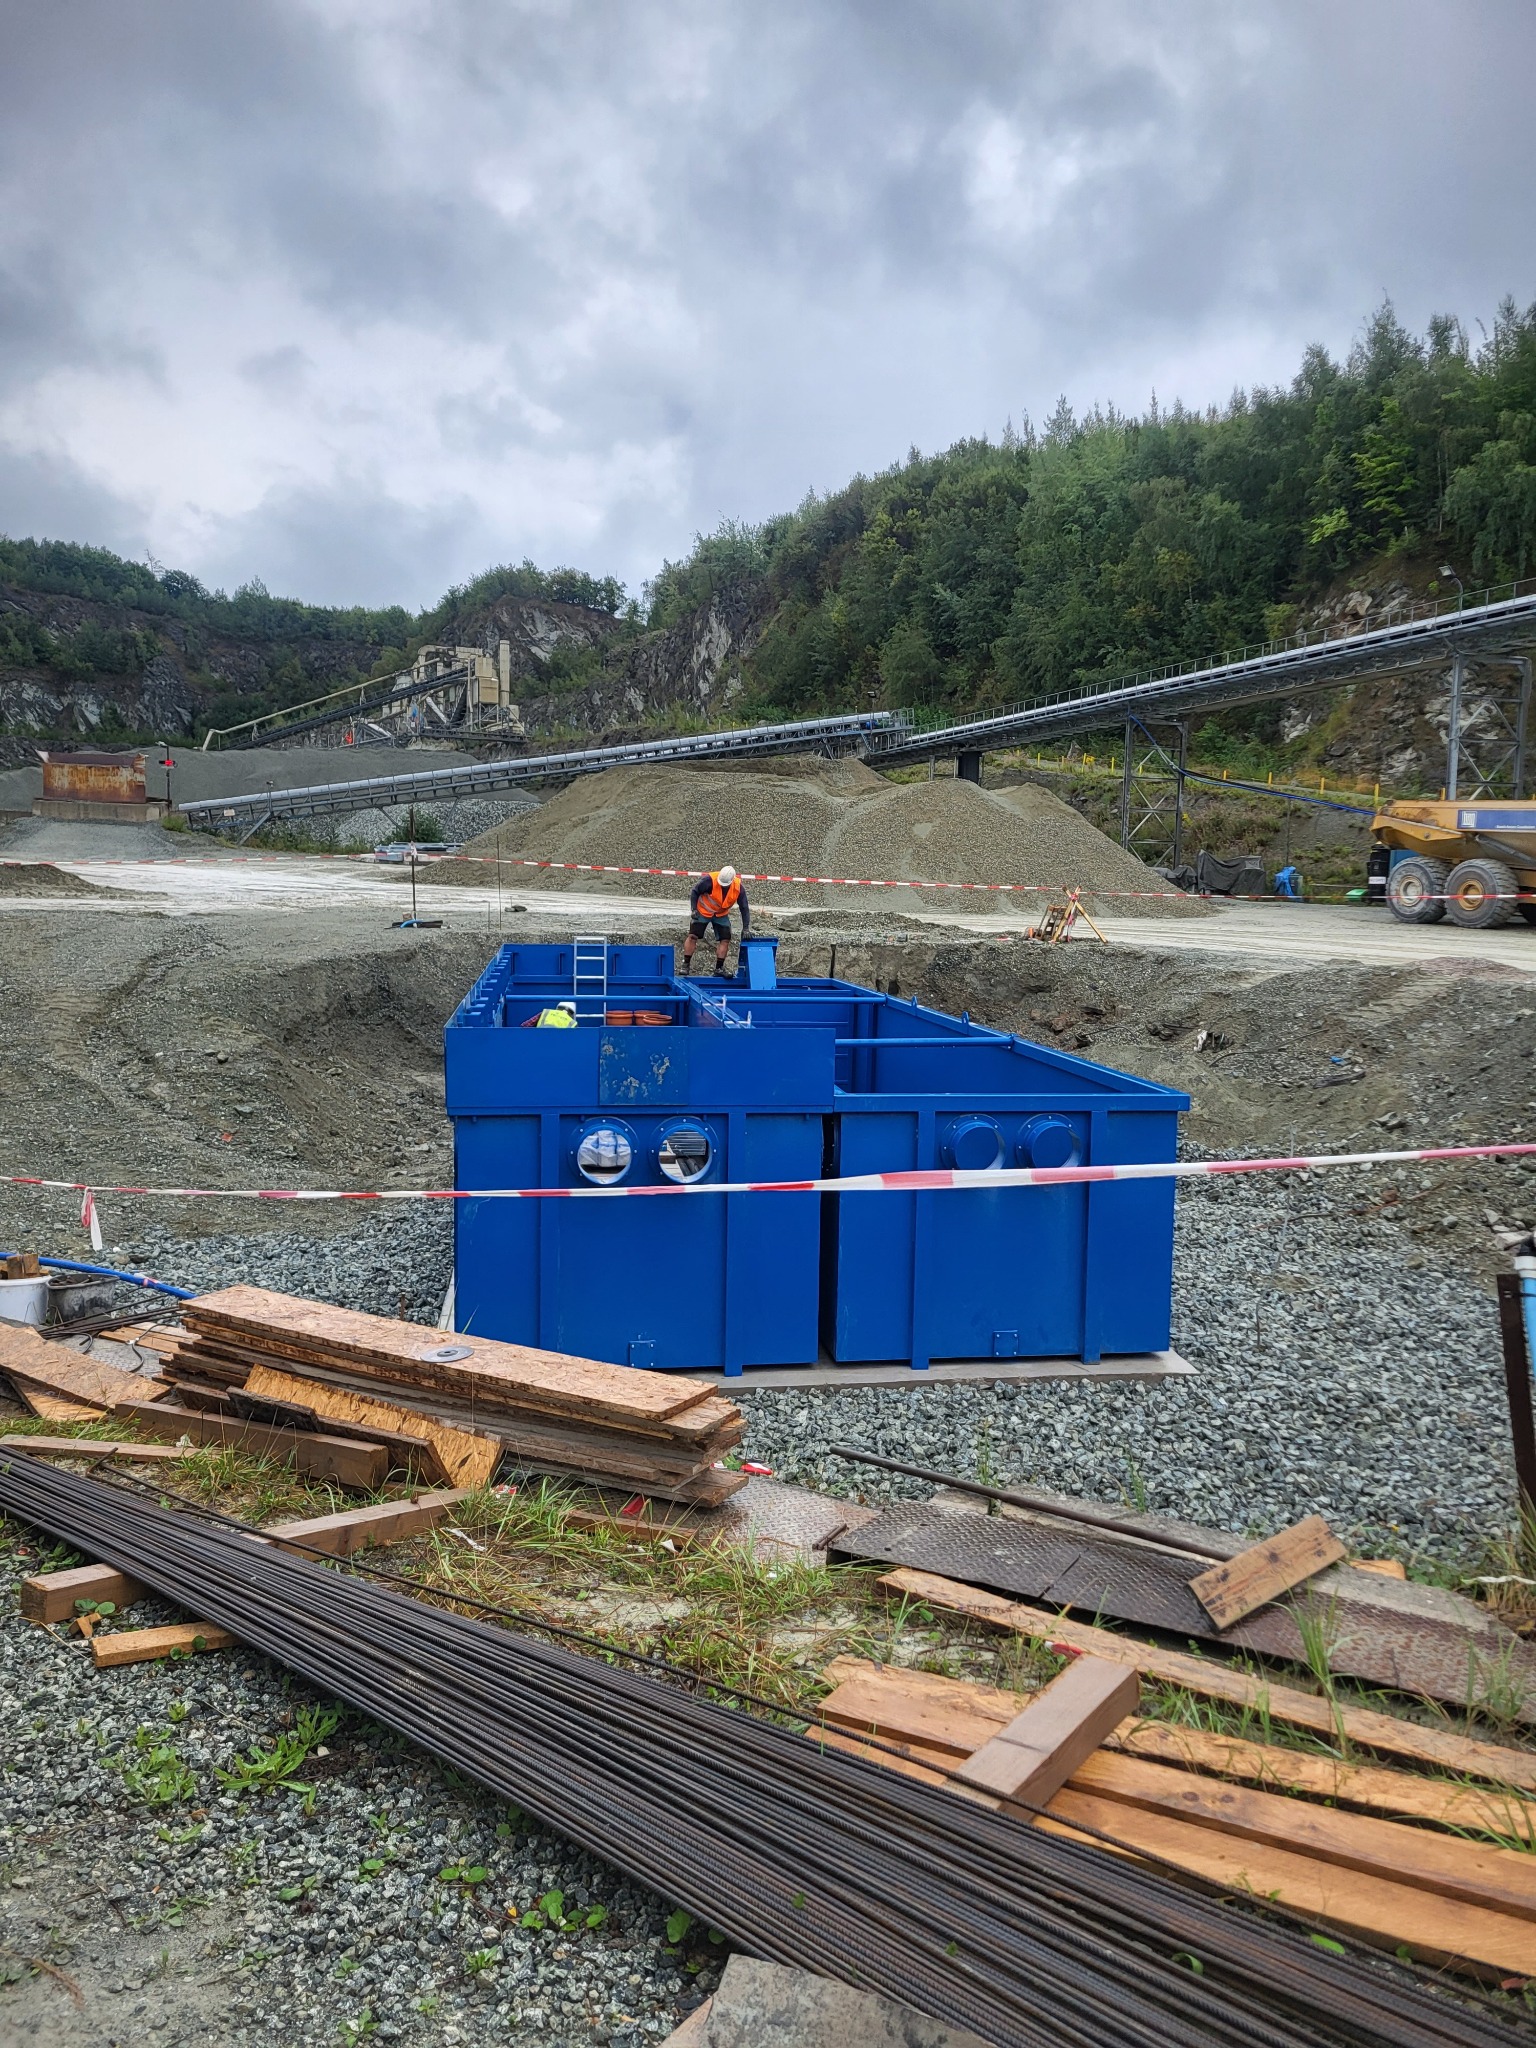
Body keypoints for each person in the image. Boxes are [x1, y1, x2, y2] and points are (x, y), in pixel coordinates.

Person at [683, 865, 750, 976]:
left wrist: (746, 927)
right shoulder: (709, 880)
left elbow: (744, 907)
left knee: (725, 939)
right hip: (703, 911)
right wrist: (694, 909)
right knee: (693, 935)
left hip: (721, 914)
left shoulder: (738, 888)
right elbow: (695, 891)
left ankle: (719, 969)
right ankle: (685, 965)